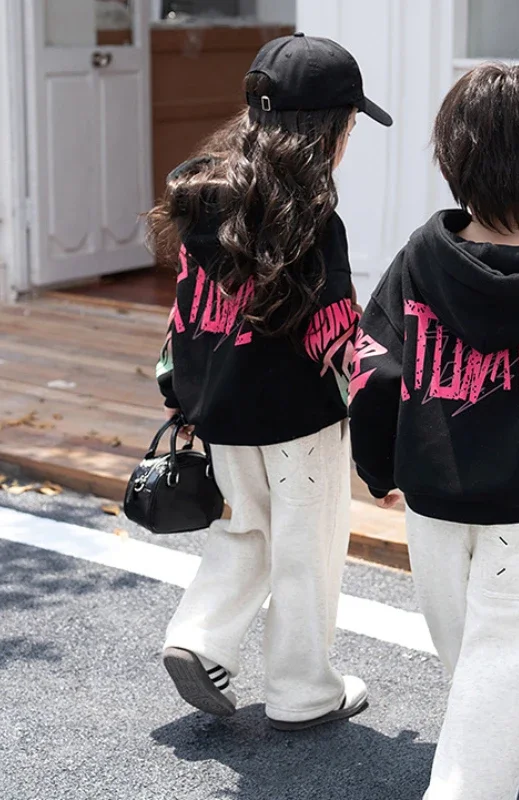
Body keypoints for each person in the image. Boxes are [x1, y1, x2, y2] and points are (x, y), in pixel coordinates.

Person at [349, 63, 519, 798]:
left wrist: (380, 469)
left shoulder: (416, 264)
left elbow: (372, 372)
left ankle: (488, 728)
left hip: (434, 495)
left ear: (449, 159)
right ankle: (473, 773)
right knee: (508, 648)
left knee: (463, 637)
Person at [148, 33, 392, 728]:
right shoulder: (312, 218)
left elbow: (186, 316)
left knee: (248, 528)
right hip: (300, 423)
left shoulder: (205, 199)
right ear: (329, 130)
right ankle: (302, 692)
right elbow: (339, 336)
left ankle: (199, 637)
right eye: (349, 125)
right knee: (307, 551)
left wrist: (184, 396)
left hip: (222, 413)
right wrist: (375, 434)